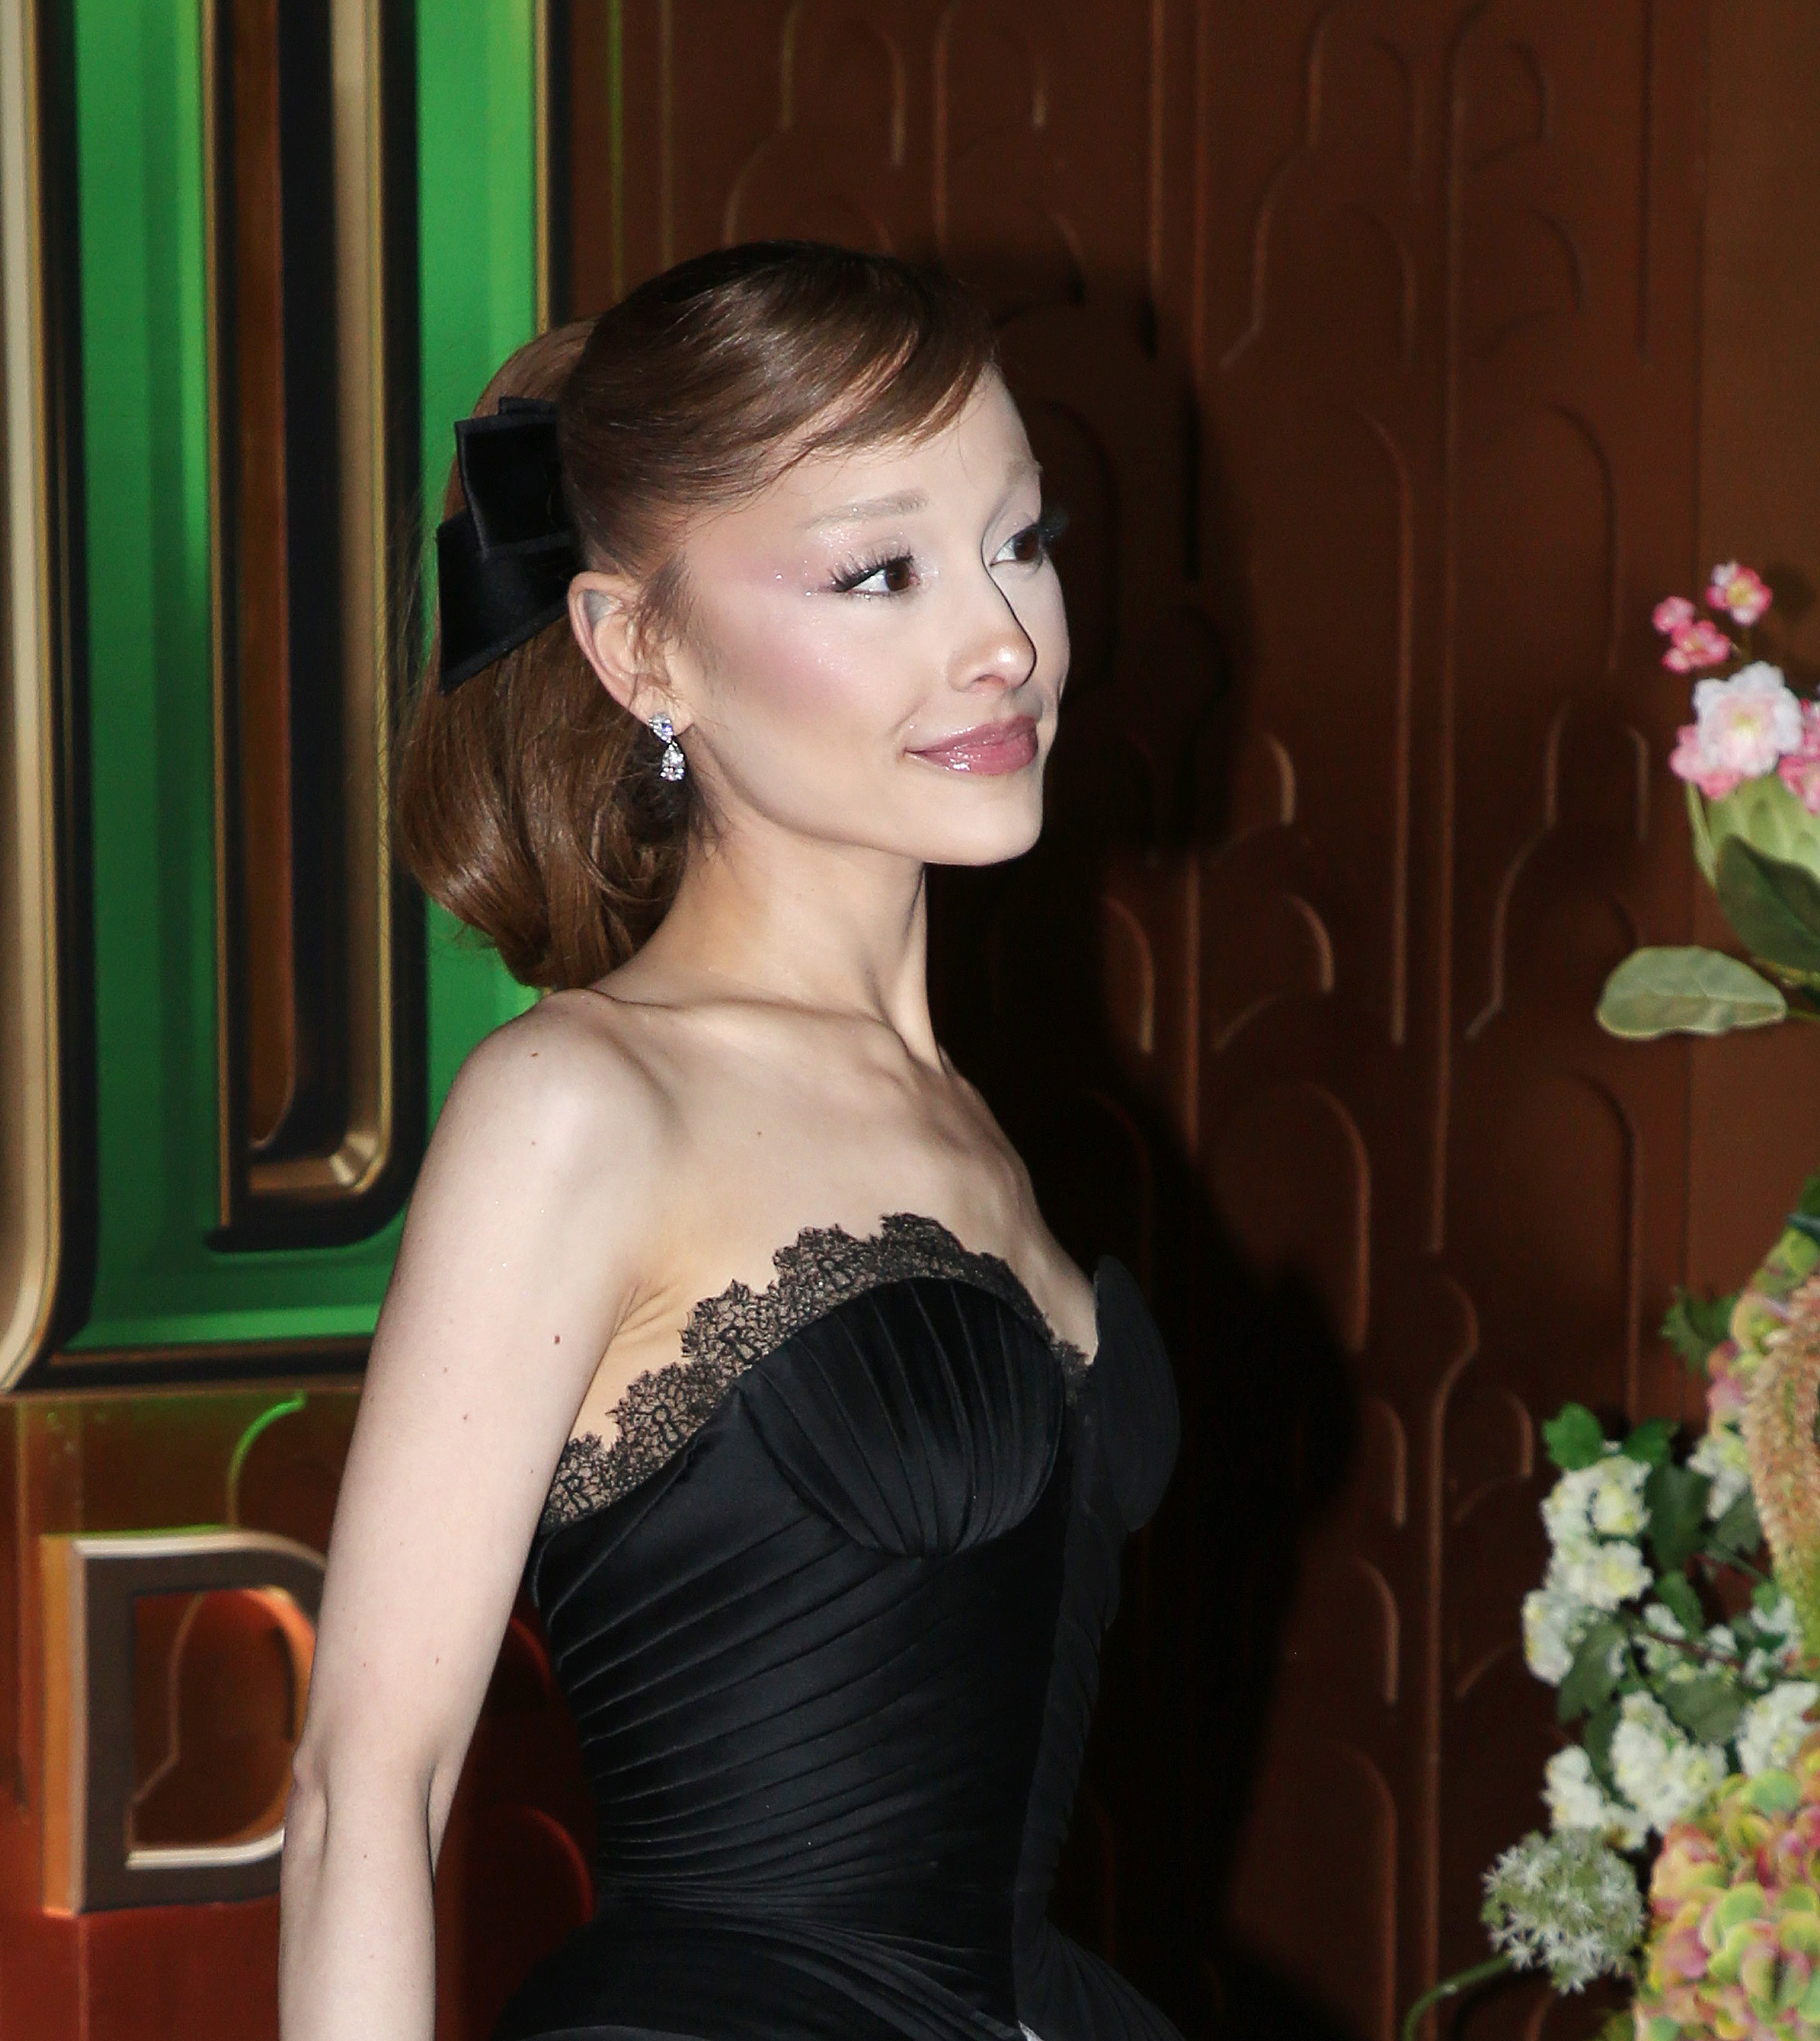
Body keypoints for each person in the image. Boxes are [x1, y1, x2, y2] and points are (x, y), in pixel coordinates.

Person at [277, 241, 1179, 2041]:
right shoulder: (581, 1105)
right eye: (880, 573)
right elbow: (363, 1786)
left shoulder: (972, 1120)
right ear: (639, 648)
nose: (1001, 641)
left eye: (1019, 541)